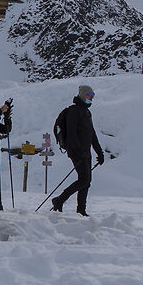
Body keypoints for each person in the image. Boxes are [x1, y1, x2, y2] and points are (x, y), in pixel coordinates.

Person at [49, 86, 106, 215]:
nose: (91, 98)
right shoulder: (74, 111)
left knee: (86, 182)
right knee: (84, 180)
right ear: (82, 95)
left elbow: (92, 134)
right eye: (89, 95)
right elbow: (71, 132)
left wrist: (99, 152)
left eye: (92, 96)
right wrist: (78, 151)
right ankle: (59, 200)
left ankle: (81, 210)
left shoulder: (86, 112)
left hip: (86, 152)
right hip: (77, 152)